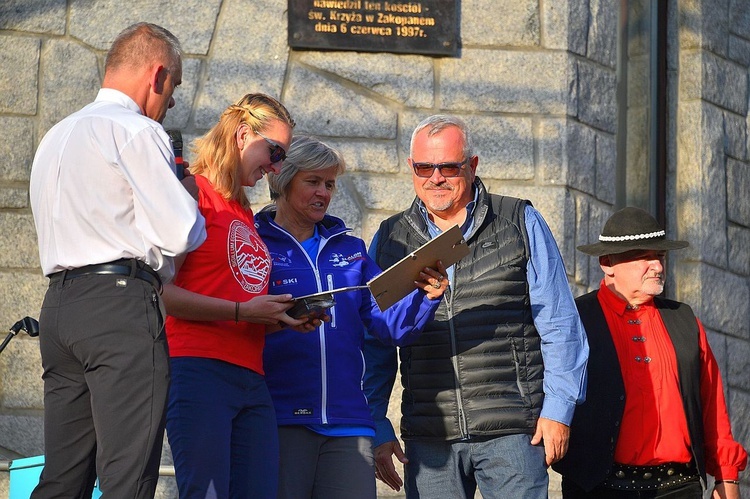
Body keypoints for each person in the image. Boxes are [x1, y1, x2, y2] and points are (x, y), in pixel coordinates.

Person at [362, 114, 589, 499]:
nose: (436, 177)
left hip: (513, 431)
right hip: (431, 435)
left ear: (472, 165)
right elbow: (373, 343)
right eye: (424, 167)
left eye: (449, 166)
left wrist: (558, 410)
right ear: (411, 168)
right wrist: (376, 425)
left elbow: (560, 324)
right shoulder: (390, 239)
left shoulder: (519, 220)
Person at [28, 22, 206, 498]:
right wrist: (187, 198)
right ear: (158, 74)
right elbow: (181, 232)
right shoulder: (137, 129)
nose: (171, 103)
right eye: (174, 89)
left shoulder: (55, 136)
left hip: (60, 309)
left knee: (62, 478)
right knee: (127, 476)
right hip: (119, 307)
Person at [254, 135, 448, 499]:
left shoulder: (351, 249)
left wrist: (426, 296)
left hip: (348, 425)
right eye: (312, 181)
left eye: (329, 184)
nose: (324, 193)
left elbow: (389, 325)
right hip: (279, 418)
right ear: (282, 180)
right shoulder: (253, 242)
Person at [162, 93, 313, 499]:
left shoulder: (243, 211)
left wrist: (285, 315)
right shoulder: (192, 193)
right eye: (275, 151)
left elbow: (237, 291)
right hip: (197, 369)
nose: (277, 167)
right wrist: (241, 311)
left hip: (251, 375)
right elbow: (161, 293)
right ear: (244, 135)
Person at [552, 206, 748, 499]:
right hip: (597, 487)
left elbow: (712, 405)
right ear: (608, 263)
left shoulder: (684, 319)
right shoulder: (576, 319)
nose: (657, 266)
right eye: (644, 256)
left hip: (678, 487)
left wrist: (726, 478)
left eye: (661, 257)